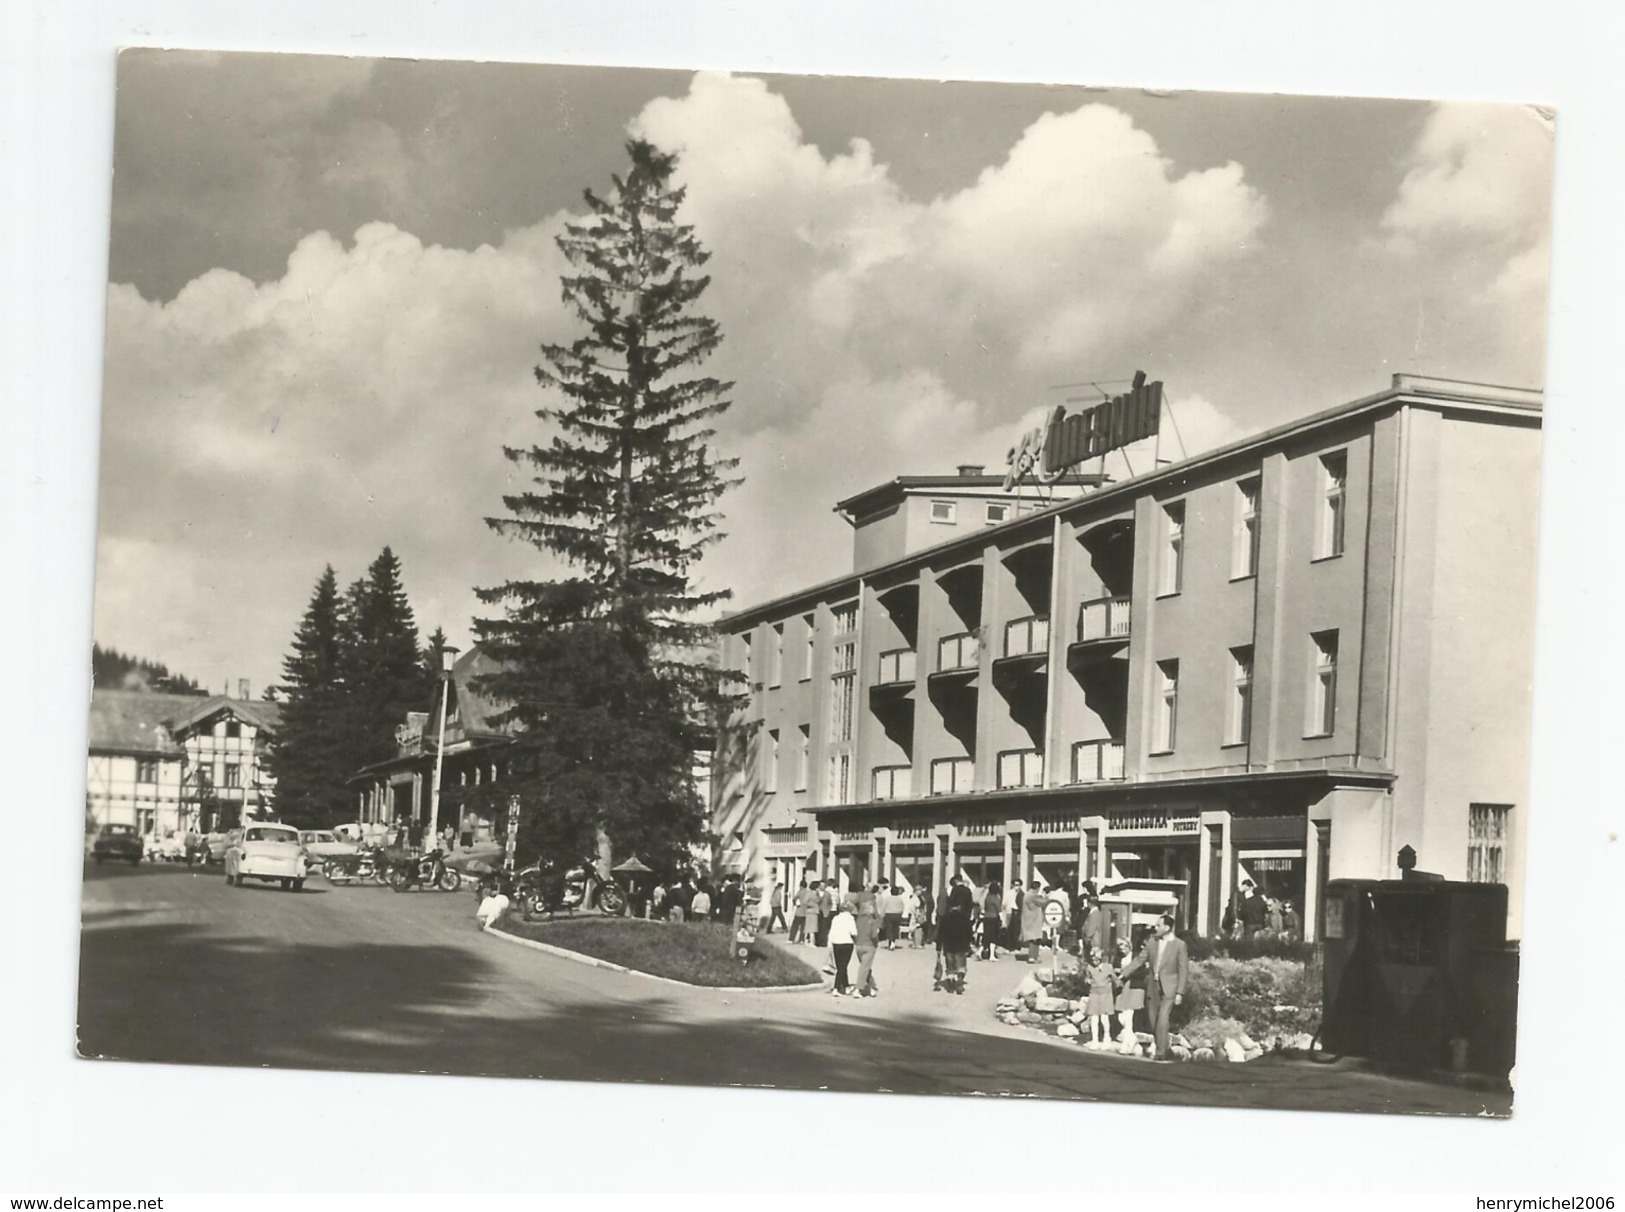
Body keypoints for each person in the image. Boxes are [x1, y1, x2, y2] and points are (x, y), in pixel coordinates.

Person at [1119, 914, 1190, 1061]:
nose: (1155, 928)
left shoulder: (1179, 945)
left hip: (1170, 987)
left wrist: (1180, 992)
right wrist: (1124, 974)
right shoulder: (1152, 941)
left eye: (1158, 925)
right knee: (1153, 1020)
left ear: (1167, 928)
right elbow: (1140, 960)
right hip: (1153, 985)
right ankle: (1163, 1047)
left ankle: (1161, 1052)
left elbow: (1183, 970)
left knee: (1163, 1017)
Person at [937, 876, 975, 994]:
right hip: (961, 944)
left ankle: (950, 980)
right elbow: (969, 932)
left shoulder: (945, 918)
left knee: (950, 964)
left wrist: (938, 947)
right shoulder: (964, 918)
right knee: (961, 963)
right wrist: (970, 942)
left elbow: (940, 933)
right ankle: (959, 979)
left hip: (948, 946)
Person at [852, 886, 882, 997]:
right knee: (864, 968)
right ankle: (858, 989)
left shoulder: (857, 921)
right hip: (869, 946)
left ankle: (872, 987)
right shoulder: (872, 921)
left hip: (858, 945)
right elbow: (874, 935)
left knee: (865, 967)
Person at [1112, 936, 1143, 1042]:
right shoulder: (1117, 958)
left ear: (1129, 946)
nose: (1122, 948)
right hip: (1122, 986)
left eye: (1124, 946)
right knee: (1120, 1012)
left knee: (1129, 1011)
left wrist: (1127, 972)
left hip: (1134, 985)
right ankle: (1127, 1032)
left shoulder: (1137, 956)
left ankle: (1128, 1034)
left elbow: (1143, 972)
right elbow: (1113, 970)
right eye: (1120, 946)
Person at [1084, 945, 1116, 1045]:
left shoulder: (1108, 967)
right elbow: (1087, 978)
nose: (1094, 961)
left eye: (1097, 959)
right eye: (1092, 959)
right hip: (1094, 994)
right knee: (1094, 1018)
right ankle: (1095, 1039)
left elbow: (1115, 980)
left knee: (1104, 1018)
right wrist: (1087, 981)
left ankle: (1107, 1036)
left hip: (1105, 995)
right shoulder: (1089, 968)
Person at [828, 901, 858, 997]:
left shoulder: (835, 918)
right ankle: (836, 987)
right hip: (847, 943)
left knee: (840, 965)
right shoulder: (850, 919)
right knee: (843, 966)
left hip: (836, 943)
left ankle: (846, 986)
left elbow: (831, 932)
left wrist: (829, 944)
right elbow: (853, 932)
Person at [1020, 881, 1048, 964]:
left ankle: (1034, 956)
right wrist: (1046, 896)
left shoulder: (1027, 894)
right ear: (1037, 888)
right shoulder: (1033, 896)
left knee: (1034, 938)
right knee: (1034, 939)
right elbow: (1044, 902)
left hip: (1028, 919)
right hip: (1034, 920)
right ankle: (1032, 957)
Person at [980, 879, 1004, 961]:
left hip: (986, 918)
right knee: (993, 937)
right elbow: (999, 909)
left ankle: (979, 952)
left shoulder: (987, 897)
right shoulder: (996, 898)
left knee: (986, 936)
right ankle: (992, 955)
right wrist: (1002, 920)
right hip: (994, 918)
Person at [880, 882, 906, 950]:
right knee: (895, 929)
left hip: (889, 915)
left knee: (889, 929)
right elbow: (902, 908)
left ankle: (890, 941)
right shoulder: (900, 899)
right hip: (897, 915)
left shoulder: (887, 899)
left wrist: (881, 916)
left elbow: (883, 908)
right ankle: (893, 942)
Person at [789, 878, 812, 943]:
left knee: (795, 926)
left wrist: (794, 904)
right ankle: (801, 939)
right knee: (803, 927)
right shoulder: (808, 892)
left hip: (799, 911)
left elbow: (794, 898)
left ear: (801, 886)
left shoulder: (800, 892)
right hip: (806, 911)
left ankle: (791, 939)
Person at [816, 879, 836, 948]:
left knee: (824, 928)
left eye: (824, 885)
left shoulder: (827, 894)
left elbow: (830, 903)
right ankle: (817, 942)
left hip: (825, 913)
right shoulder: (816, 893)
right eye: (821, 885)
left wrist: (828, 909)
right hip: (818, 912)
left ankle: (823, 942)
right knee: (818, 927)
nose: (822, 887)